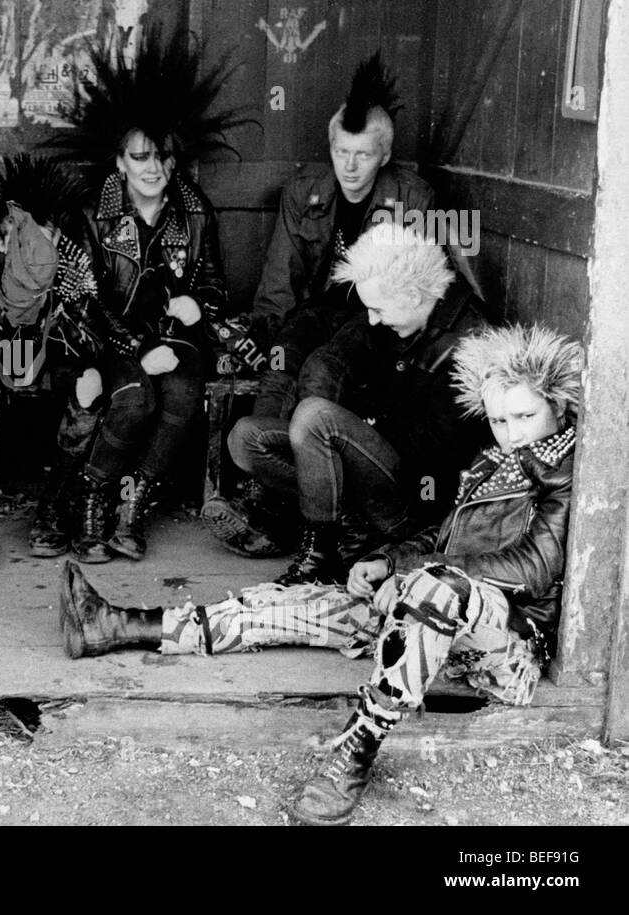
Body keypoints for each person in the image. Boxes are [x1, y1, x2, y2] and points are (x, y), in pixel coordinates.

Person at [59, 323, 582, 826]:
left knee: (436, 589)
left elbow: (533, 569)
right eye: (497, 420)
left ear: (557, 405)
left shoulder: (563, 472)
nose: (509, 433)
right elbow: (440, 538)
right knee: (295, 604)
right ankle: (118, 624)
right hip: (428, 618)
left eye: (523, 417)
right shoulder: (495, 460)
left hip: (503, 645)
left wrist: (418, 574)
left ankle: (356, 754)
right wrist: (388, 562)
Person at [201, 54, 439, 557]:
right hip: (316, 311)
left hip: (372, 319)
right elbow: (280, 276)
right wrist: (267, 337)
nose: (350, 167)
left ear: (385, 154)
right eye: (341, 151)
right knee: (286, 354)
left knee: (321, 366)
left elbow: (414, 290)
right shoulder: (304, 191)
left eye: (364, 155)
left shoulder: (412, 197)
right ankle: (264, 499)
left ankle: (273, 508)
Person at [46, 26, 245, 563]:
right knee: (135, 399)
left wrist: (198, 303)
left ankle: (132, 510)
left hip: (173, 339)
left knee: (183, 395)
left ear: (173, 160)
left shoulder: (195, 211)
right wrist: (136, 348)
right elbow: (82, 301)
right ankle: (92, 501)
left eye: (161, 157)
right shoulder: (90, 215)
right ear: (119, 163)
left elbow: (213, 284)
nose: (153, 168)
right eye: (140, 158)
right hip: (103, 342)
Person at [226, 224, 487, 585]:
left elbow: (432, 460)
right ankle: (349, 524)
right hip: (376, 466)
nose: (372, 319)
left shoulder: (465, 347)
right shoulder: (406, 318)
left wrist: (358, 431)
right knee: (247, 436)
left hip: (412, 502)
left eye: (378, 309)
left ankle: (321, 555)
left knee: (316, 418)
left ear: (412, 294)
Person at [0, 154, 103, 572]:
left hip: (52, 352)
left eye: (45, 235)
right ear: (1, 235)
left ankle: (54, 509)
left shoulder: (70, 258)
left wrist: (51, 320)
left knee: (89, 382)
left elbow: (87, 331)